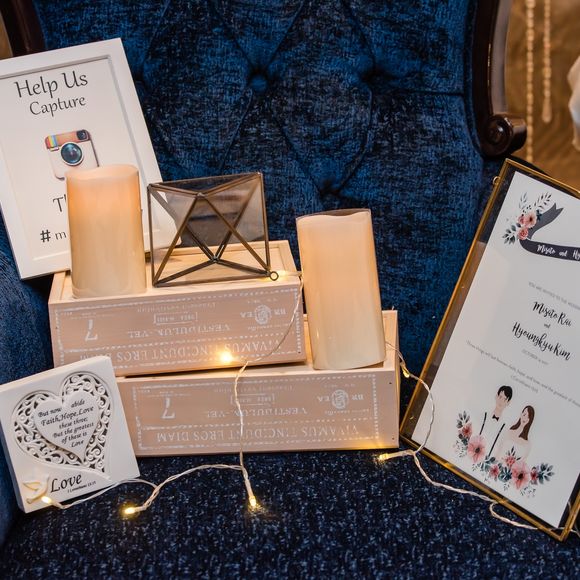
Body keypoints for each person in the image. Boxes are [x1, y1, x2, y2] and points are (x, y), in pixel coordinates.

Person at [479, 385, 513, 459]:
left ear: (508, 402)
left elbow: (500, 449)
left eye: (505, 399)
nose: (501, 401)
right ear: (496, 397)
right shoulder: (484, 415)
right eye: (500, 397)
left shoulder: (505, 428)